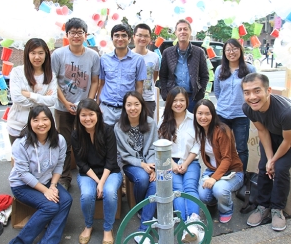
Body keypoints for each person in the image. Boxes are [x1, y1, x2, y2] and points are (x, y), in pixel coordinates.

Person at [242, 73, 291, 231]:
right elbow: (262, 131)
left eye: (257, 91)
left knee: (280, 168)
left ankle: (277, 209)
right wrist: (269, 159)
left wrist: (274, 161)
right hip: (271, 133)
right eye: (247, 92)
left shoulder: (285, 111)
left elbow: (288, 140)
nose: (252, 97)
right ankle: (263, 206)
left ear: (268, 90)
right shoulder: (248, 108)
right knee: (264, 166)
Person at [9, 106, 72, 244]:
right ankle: (19, 242)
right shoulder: (21, 144)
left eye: (45, 119)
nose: (41, 124)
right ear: (30, 122)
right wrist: (46, 191)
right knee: (50, 206)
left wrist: (54, 185)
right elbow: (23, 174)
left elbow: (60, 164)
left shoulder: (59, 140)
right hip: (22, 185)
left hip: (46, 181)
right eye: (36, 120)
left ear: (51, 121)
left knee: (66, 199)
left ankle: (49, 241)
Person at [51, 17, 101, 190]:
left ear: (85, 35)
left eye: (80, 32)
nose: (76, 36)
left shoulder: (93, 56)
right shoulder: (58, 55)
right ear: (67, 35)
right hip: (63, 108)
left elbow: (95, 81)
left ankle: (91, 175)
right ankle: (64, 178)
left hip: (84, 108)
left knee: (88, 141)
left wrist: (88, 102)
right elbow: (53, 82)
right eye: (72, 32)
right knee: (63, 143)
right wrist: (65, 102)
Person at [71, 99, 122, 244]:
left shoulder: (107, 130)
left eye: (91, 114)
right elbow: (81, 163)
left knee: (110, 192)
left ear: (98, 114)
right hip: (88, 173)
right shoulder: (76, 135)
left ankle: (108, 228)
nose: (87, 119)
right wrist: (98, 182)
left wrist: (103, 181)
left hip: (110, 171)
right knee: (87, 194)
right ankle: (88, 226)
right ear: (78, 117)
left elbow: (111, 161)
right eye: (83, 115)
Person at [158, 86, 201, 242]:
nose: (178, 103)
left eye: (182, 100)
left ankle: (194, 223)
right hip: (170, 162)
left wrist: (186, 163)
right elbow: (160, 145)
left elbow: (197, 144)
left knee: (190, 187)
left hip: (191, 161)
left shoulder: (193, 119)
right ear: (169, 102)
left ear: (187, 101)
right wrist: (173, 165)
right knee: (177, 190)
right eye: (175, 100)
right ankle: (184, 226)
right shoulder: (163, 120)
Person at [114, 91, 158, 244]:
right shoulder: (119, 127)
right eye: (129, 104)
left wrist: (152, 167)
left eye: (136, 104)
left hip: (151, 163)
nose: (133, 108)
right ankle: (143, 210)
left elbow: (153, 148)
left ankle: (143, 229)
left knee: (156, 181)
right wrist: (142, 165)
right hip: (131, 164)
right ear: (124, 107)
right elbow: (124, 154)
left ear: (142, 105)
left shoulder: (151, 123)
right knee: (142, 177)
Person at [193, 99, 244, 224]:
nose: (203, 117)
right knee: (203, 195)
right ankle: (215, 201)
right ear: (195, 115)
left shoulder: (222, 130)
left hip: (232, 171)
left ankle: (226, 209)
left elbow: (227, 159)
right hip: (213, 170)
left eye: (207, 114)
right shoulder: (200, 131)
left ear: (213, 115)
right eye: (200, 113)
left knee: (219, 189)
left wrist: (214, 178)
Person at [214, 38, 256, 171]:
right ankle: (223, 172)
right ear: (224, 53)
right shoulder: (220, 69)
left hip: (241, 114)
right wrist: (227, 103)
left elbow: (255, 91)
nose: (231, 52)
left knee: (241, 148)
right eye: (228, 50)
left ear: (240, 50)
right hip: (222, 114)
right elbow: (217, 91)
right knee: (222, 147)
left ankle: (240, 176)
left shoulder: (250, 69)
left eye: (234, 49)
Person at [7, 38, 57, 145]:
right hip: (18, 125)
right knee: (19, 159)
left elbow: (52, 100)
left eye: (40, 53)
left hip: (41, 126)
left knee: (40, 158)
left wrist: (29, 94)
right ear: (27, 54)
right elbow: (16, 98)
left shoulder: (50, 75)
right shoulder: (17, 72)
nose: (37, 57)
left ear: (46, 54)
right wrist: (42, 98)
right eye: (33, 53)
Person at [98, 23, 147, 125]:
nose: (120, 38)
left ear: (129, 39)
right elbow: (101, 84)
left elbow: (139, 87)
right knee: (105, 139)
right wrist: (97, 106)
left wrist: (137, 108)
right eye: (116, 35)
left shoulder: (138, 60)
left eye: (124, 35)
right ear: (112, 38)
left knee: (126, 140)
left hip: (127, 110)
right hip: (106, 109)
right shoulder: (104, 59)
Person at [159, 19, 209, 112]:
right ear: (176, 33)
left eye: (185, 29)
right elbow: (163, 76)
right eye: (180, 29)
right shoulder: (167, 52)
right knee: (173, 125)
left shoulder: (199, 52)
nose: (183, 32)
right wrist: (166, 95)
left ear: (190, 32)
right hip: (173, 98)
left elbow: (204, 76)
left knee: (192, 125)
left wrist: (199, 95)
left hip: (192, 98)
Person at [132, 23, 160, 118]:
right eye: (139, 35)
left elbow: (154, 76)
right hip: (130, 100)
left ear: (150, 38)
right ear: (133, 37)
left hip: (148, 100)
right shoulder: (128, 56)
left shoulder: (155, 57)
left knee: (147, 129)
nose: (142, 39)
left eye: (146, 36)